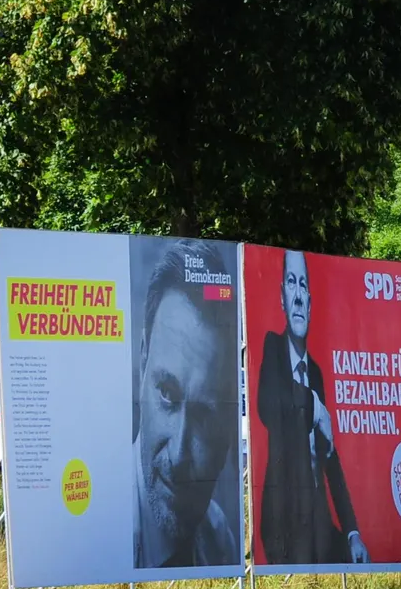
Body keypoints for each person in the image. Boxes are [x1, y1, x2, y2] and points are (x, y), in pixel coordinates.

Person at [257, 249, 368, 565]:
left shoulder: (316, 372)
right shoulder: (271, 348)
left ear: (310, 301)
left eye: (303, 285)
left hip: (318, 521)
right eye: (291, 283)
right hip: (283, 519)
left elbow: (329, 453)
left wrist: (352, 531)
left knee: (352, 557)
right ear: (282, 297)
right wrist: (314, 405)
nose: (297, 296)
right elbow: (268, 404)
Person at [133, 239, 239, 568]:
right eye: (167, 393)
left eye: (205, 415)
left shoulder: (220, 540)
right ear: (142, 362)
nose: (179, 455)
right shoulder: (101, 527)